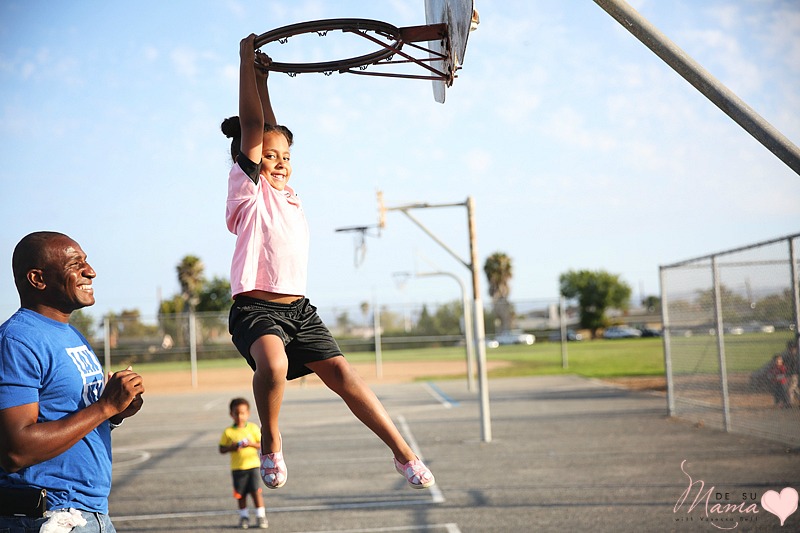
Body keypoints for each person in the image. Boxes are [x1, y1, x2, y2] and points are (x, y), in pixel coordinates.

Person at [221, 34, 434, 491]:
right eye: (269, 157)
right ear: (249, 159)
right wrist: (245, 63)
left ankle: (403, 452)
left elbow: (271, 127)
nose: (279, 163)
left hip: (299, 309)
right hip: (256, 309)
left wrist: (264, 77)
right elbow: (257, 124)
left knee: (344, 375)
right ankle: (271, 441)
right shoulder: (249, 190)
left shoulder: (288, 193)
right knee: (273, 367)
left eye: (286, 158)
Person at [0, 231, 145, 532]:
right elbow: (16, 450)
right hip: (51, 517)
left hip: (87, 514)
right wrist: (104, 407)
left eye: (86, 261)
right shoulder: (17, 340)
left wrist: (115, 413)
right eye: (75, 264)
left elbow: (65, 414)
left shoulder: (69, 333)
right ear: (37, 279)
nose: (90, 271)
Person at [219, 398, 268, 529]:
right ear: (231, 414)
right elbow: (221, 449)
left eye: (242, 413)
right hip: (237, 468)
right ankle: (244, 516)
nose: (240, 416)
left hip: (253, 466)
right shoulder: (228, 432)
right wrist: (232, 447)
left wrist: (251, 444)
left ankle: (260, 515)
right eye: (236, 413)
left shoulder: (253, 428)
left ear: (248, 413)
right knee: (240, 494)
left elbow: (261, 444)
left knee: (256, 492)